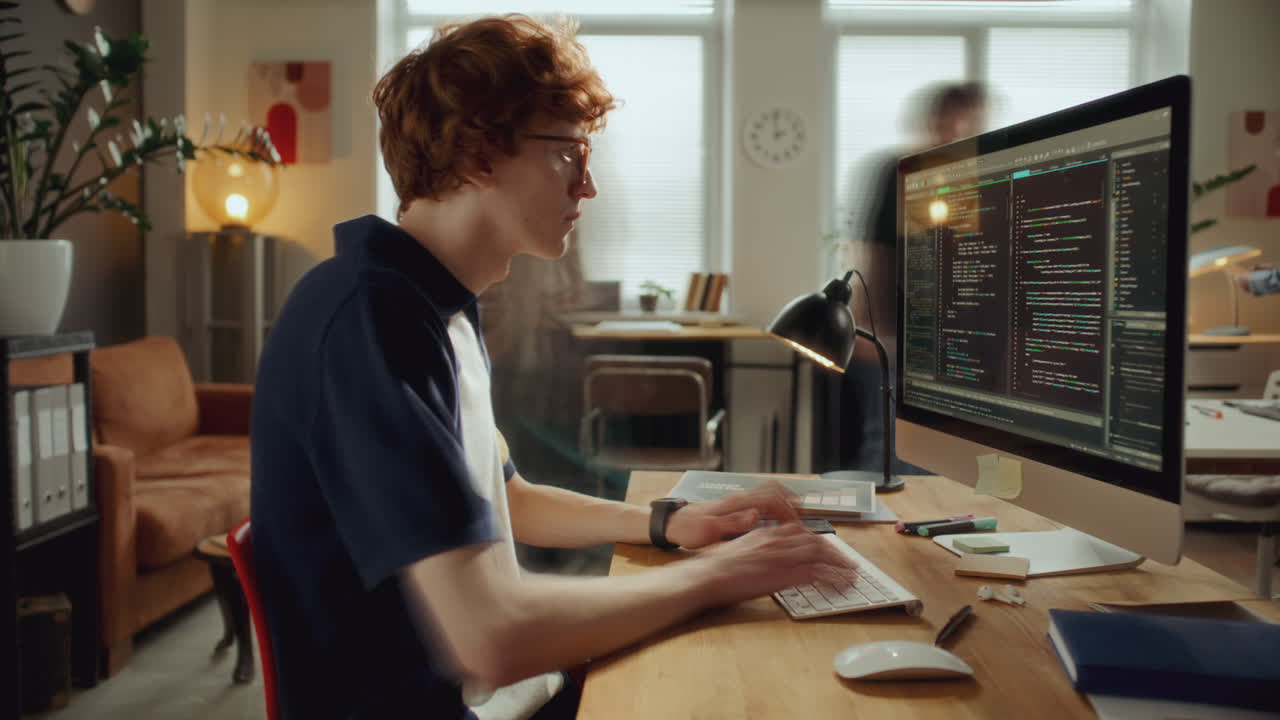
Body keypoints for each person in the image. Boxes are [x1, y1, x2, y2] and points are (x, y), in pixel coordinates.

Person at [249, 14, 852, 720]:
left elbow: (511, 498)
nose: (587, 187)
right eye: (568, 151)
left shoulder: (435, 304)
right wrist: (720, 576)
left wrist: (667, 524)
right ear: (479, 154)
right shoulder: (370, 322)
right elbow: (491, 638)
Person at [838, 82, 989, 473]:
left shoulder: (982, 179)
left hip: (963, 348)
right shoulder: (898, 172)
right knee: (890, 449)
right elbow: (871, 251)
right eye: (949, 122)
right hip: (897, 342)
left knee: (949, 457)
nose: (956, 133)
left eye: (968, 124)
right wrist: (866, 327)